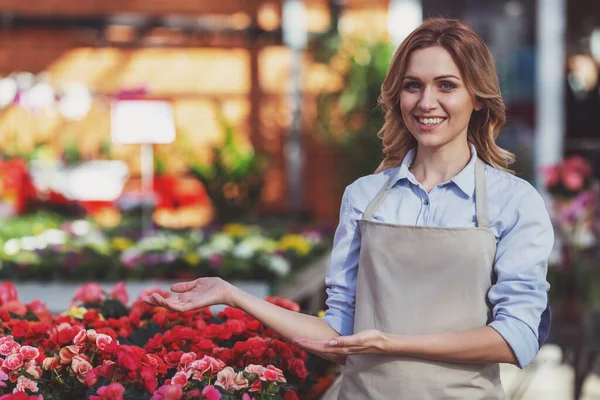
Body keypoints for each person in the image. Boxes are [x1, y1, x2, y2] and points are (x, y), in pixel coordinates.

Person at [144, 18, 553, 399]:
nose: (426, 102)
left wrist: (392, 344)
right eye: (413, 86)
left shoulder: (513, 202)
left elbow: (516, 337)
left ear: (478, 99)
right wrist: (232, 295)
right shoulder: (363, 197)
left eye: (446, 85)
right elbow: (337, 334)